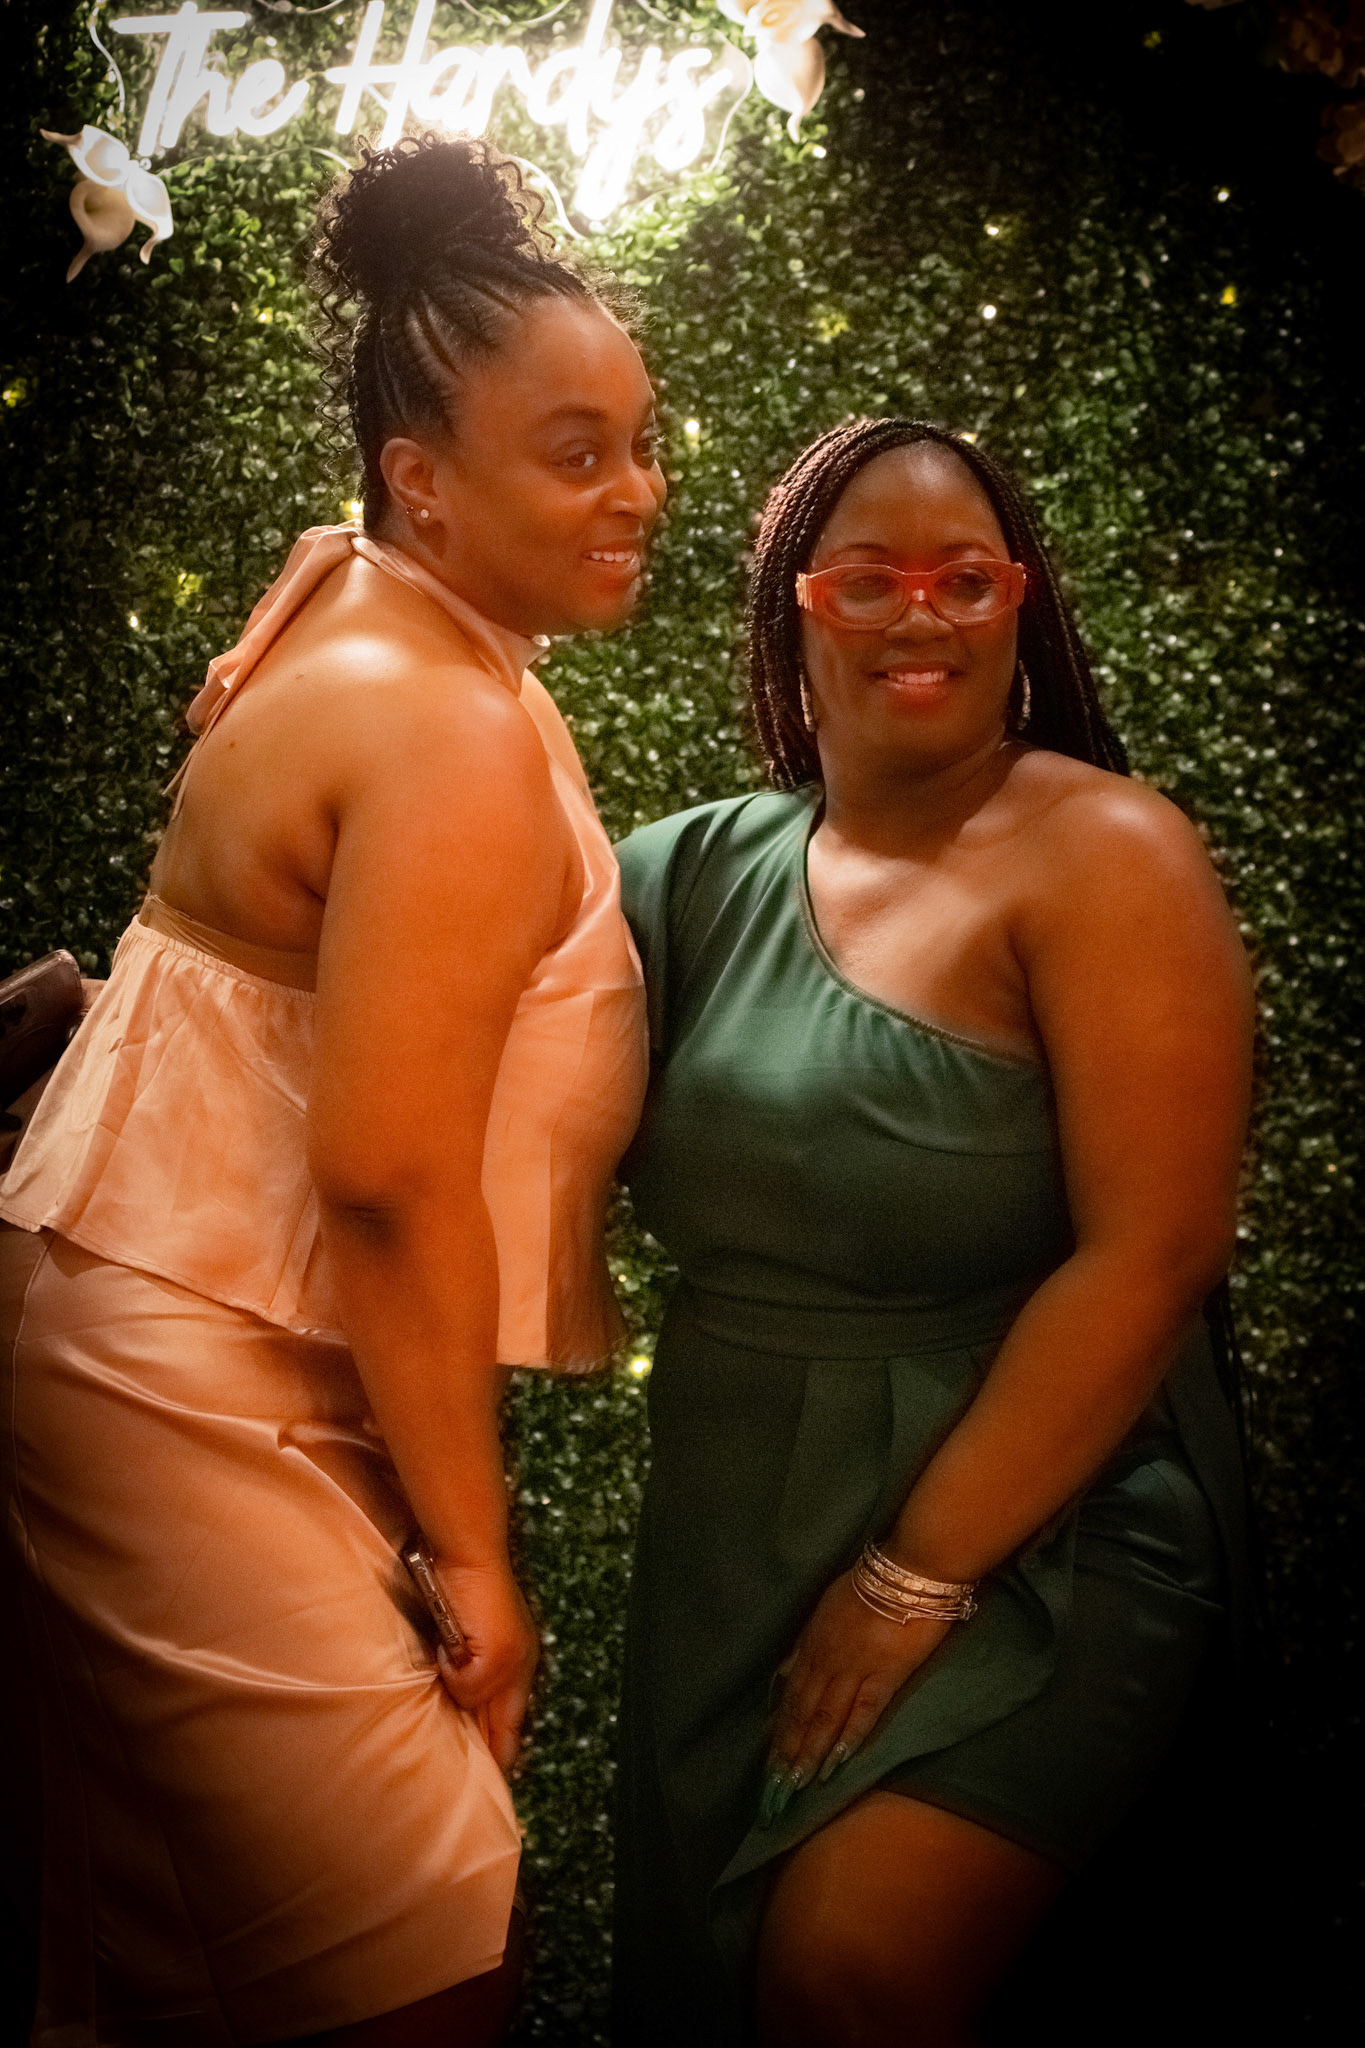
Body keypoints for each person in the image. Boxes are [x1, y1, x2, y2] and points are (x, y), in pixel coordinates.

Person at [0, 134, 664, 2047]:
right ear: (419, 477)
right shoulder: (441, 721)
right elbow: (383, 1174)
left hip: (166, 1315)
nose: (637, 491)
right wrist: (476, 1560)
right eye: (577, 453)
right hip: (177, 1364)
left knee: (201, 1963)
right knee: (420, 1961)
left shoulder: (373, 607)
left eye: (642, 441)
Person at [610, 417, 1254, 2047]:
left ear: (1017, 607)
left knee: (848, 1977)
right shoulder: (691, 872)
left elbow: (1156, 1252)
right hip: (736, 1533)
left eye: (966, 581)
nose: (923, 616)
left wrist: (912, 1580)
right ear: (793, 605)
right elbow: (425, 989)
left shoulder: (1105, 851)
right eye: (870, 581)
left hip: (1039, 1522)